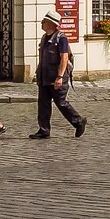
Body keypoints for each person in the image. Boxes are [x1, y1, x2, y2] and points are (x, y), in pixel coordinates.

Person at [30, 9, 87, 139]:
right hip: (44, 77)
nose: (41, 23)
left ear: (50, 23)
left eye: (44, 21)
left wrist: (60, 77)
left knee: (61, 103)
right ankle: (44, 130)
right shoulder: (45, 37)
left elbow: (64, 58)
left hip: (57, 77)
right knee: (43, 104)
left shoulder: (61, 38)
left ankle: (78, 121)